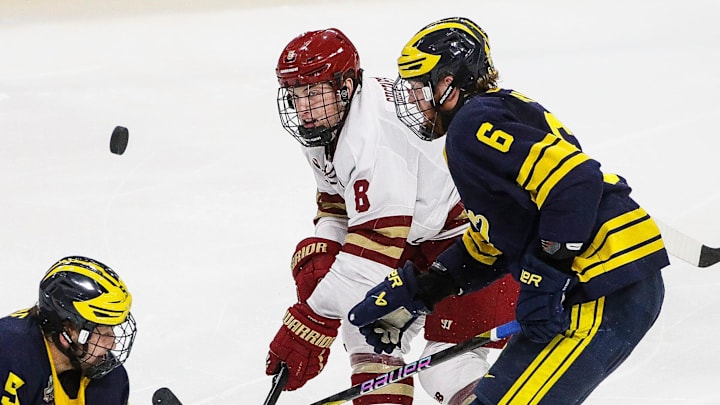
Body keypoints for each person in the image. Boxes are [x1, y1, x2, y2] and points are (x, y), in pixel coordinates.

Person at [348, 17, 669, 404]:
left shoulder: (473, 124)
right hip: (606, 282)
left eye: (420, 84)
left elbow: (575, 182)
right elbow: (495, 237)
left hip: (604, 283)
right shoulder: (496, 111)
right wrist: (426, 288)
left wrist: (545, 276)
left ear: (450, 81)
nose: (412, 98)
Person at [264, 28, 518, 405]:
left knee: (444, 366)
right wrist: (323, 266)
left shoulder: (372, 137)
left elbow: (372, 257)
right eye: (297, 94)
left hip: (472, 240)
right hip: (415, 233)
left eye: (314, 93)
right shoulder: (327, 124)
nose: (304, 107)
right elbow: (336, 203)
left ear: (346, 86)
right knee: (366, 325)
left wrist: (313, 317)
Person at [0, 256, 137, 405]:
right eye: (103, 334)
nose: (113, 344)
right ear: (68, 331)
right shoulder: (9, 357)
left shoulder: (111, 382)